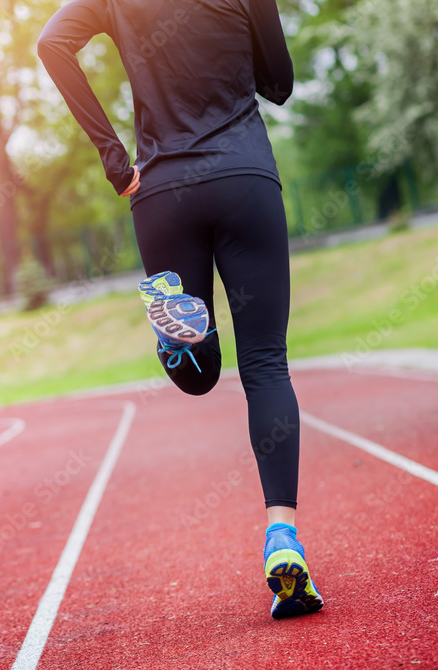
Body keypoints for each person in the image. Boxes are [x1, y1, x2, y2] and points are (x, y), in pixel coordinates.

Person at [38, 0, 323, 618]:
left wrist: (116, 161)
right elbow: (279, 84)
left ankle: (182, 340)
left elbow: (51, 44)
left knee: (199, 378)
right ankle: (282, 538)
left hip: (162, 192)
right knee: (267, 366)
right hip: (244, 178)